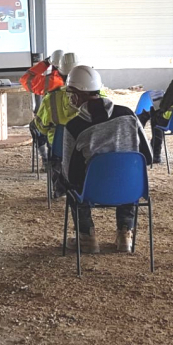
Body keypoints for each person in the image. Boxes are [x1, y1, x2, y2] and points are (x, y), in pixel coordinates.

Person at [62, 65, 153, 254]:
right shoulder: (128, 115)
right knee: (127, 174)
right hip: (131, 190)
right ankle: (125, 235)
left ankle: (87, 237)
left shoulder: (74, 126)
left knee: (73, 186)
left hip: (93, 191)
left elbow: (69, 172)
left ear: (78, 95)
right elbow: (148, 156)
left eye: (71, 93)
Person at [33, 52, 81, 191]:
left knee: (39, 131)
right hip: (89, 145)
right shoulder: (100, 98)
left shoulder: (51, 98)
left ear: (59, 73)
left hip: (59, 146)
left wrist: (45, 62)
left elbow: (41, 127)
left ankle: (56, 181)